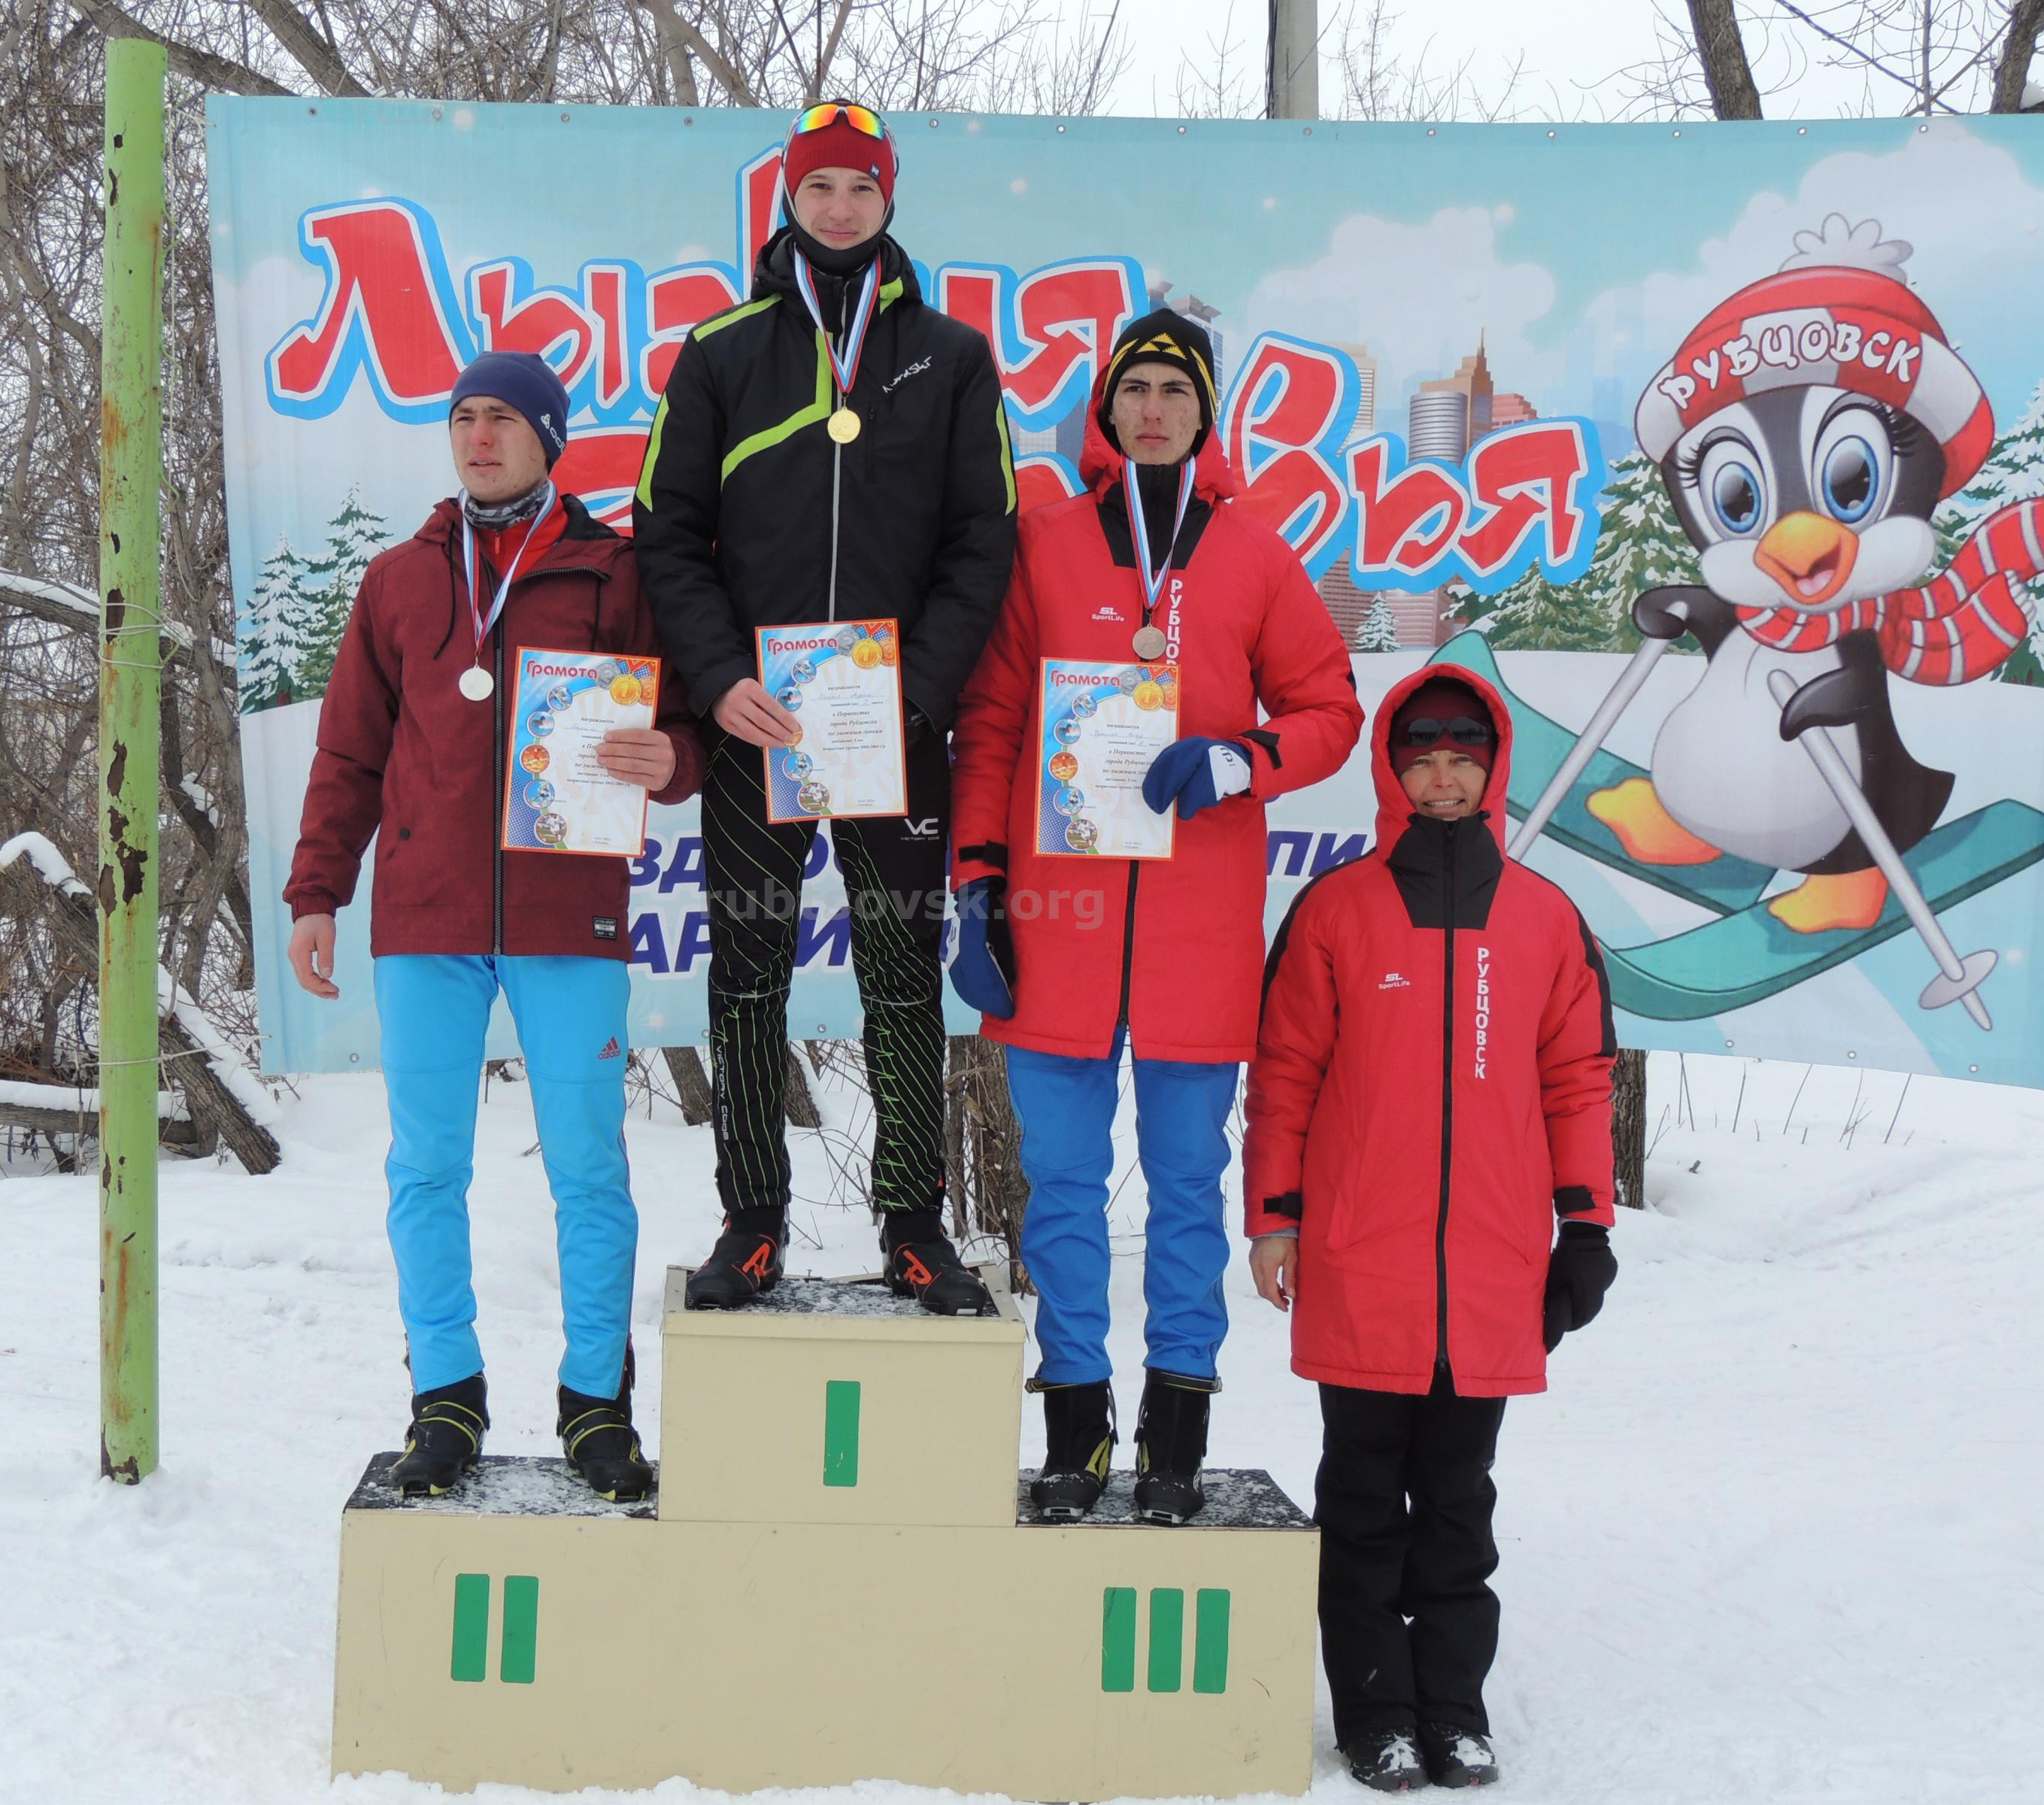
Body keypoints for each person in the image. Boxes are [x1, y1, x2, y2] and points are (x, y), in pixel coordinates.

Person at [945, 308, 1363, 1523]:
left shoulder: (1255, 555)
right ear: (1106, 408)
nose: (1154, 408)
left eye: (1176, 390)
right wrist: (977, 882)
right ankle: (1076, 1423)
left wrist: (1243, 759)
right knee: (1062, 1187)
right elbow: (994, 724)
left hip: (1198, 932)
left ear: (1204, 413)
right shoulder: (1046, 543)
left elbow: (1330, 709)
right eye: (1135, 387)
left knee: (1188, 1185)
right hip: (1060, 923)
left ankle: (1177, 1425)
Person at [284, 351, 706, 1500]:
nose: (479, 436)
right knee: (426, 1168)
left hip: (569, 913)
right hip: (426, 920)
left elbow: (686, 722)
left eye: (504, 419)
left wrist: (673, 759)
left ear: (548, 438)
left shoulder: (615, 572)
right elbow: (348, 753)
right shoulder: (400, 582)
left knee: (588, 1169)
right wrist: (318, 893)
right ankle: (446, 1394)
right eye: (464, 417)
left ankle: (595, 1402)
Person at [632, 102, 1017, 1312]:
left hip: (893, 732)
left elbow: (984, 542)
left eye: (861, 187)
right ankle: (753, 1220)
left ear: (889, 199)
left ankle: (914, 1222)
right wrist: (717, 679)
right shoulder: (721, 353)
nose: (841, 207)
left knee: (902, 974)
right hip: (758, 729)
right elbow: (666, 533)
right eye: (820, 188)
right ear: (788, 201)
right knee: (748, 973)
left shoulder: (952, 357)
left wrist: (920, 691)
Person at [1242, 668, 1620, 1791]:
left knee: (1459, 1505)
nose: (1443, 777)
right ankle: (1376, 1715)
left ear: (1493, 769)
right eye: (1422, 758)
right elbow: (1286, 1074)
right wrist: (1275, 1219)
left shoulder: (1544, 917)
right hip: (1363, 1259)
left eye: (1463, 757)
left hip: (1494, 1268)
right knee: (1362, 1502)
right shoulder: (1337, 909)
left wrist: (1585, 1227)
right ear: (1392, 769)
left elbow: (1579, 1082)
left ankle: (1453, 1709)